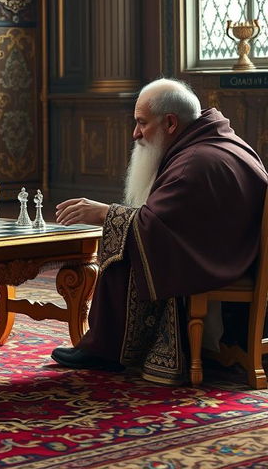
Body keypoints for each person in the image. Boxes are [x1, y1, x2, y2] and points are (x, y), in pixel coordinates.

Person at [51, 78, 268, 385]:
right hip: (234, 254)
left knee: (128, 241)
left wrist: (104, 213)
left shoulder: (193, 163)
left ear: (169, 123)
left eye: (142, 123)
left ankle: (106, 348)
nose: (135, 133)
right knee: (131, 233)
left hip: (224, 263)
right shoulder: (215, 142)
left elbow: (152, 226)